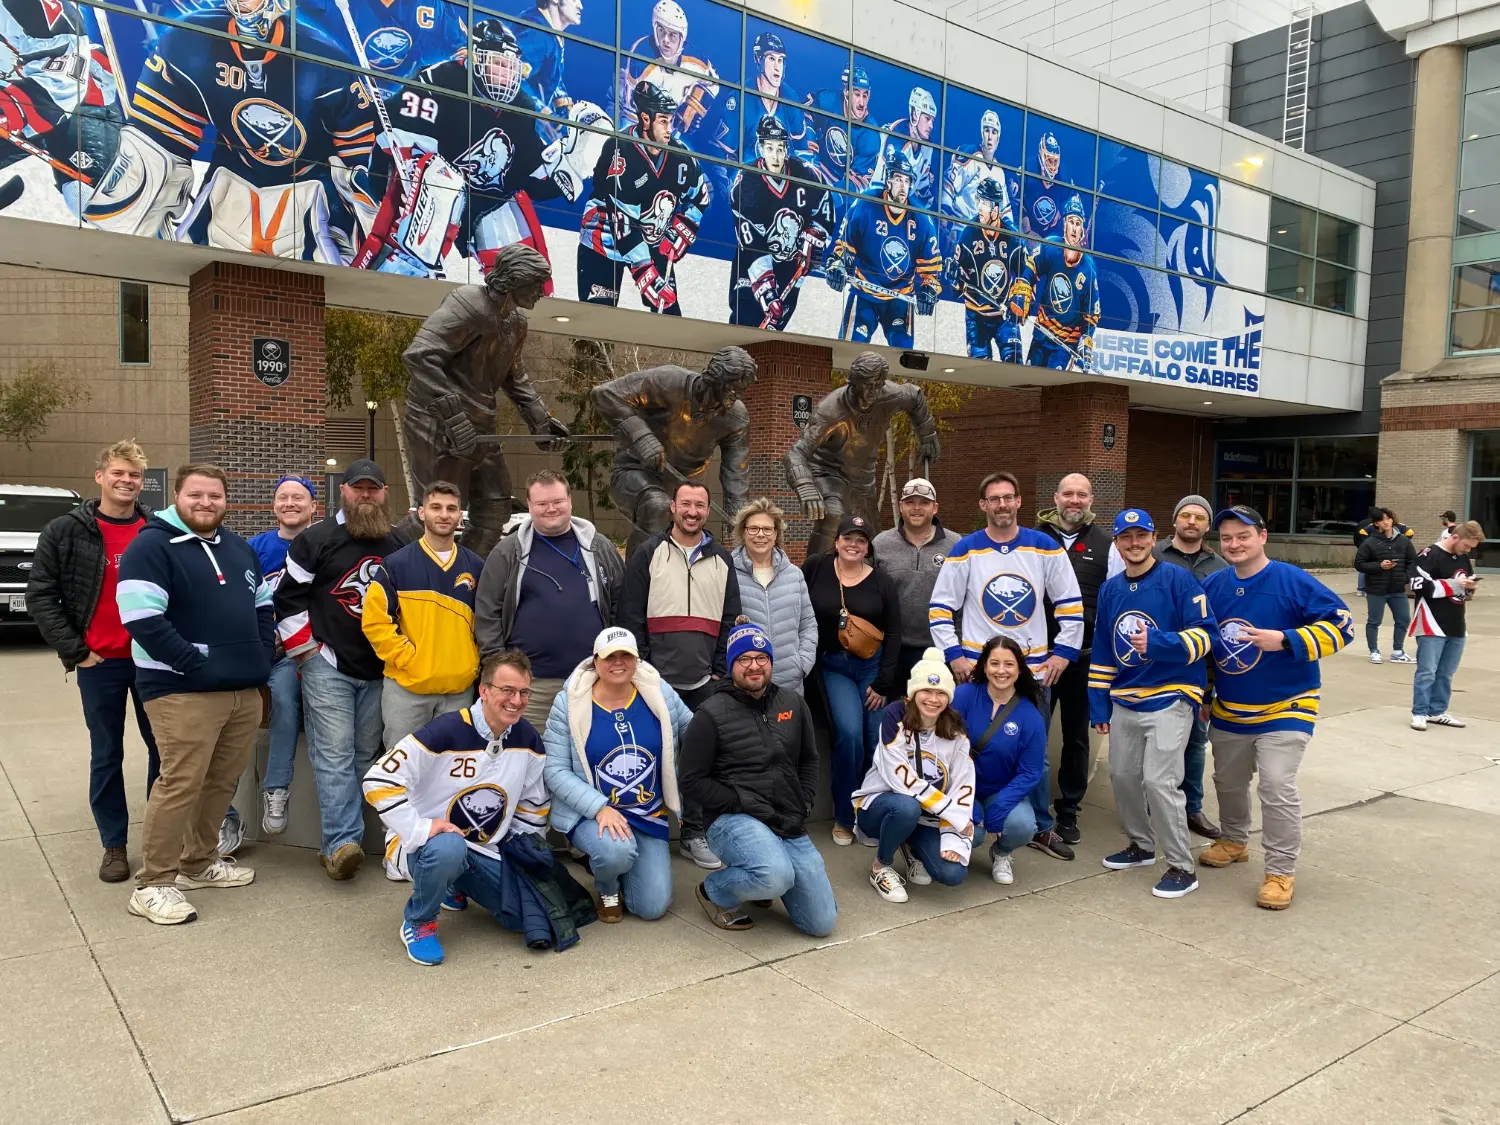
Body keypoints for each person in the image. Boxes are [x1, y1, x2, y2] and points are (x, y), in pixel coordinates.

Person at [363, 650, 595, 965]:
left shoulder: (527, 738)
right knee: (448, 849)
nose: (517, 700)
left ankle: (453, 884)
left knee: (524, 920)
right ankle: (419, 922)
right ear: (484, 690)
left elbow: (532, 805)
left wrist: (522, 850)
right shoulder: (444, 731)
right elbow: (377, 780)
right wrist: (420, 828)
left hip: (485, 848)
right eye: (507, 690)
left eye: (524, 692)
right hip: (426, 846)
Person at [116, 465, 275, 925]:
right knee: (180, 782)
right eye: (196, 495)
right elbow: (142, 618)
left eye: (215, 496)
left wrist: (261, 656)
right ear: (177, 497)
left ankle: (198, 862)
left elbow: (262, 604)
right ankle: (154, 883)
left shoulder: (238, 547)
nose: (206, 503)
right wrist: (196, 663)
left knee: (222, 782)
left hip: (241, 688)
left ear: (226, 501)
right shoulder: (151, 545)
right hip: (180, 690)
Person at [1198, 505, 1354, 911]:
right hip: (1231, 707)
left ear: (1262, 537)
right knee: (1228, 782)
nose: (1234, 544)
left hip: (1289, 704)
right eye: (1227, 538)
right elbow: (1207, 645)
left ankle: (1280, 871)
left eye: (1243, 536)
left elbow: (1342, 625)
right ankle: (1234, 840)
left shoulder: (1292, 580)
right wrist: (1205, 693)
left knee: (1276, 785)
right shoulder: (1214, 585)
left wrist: (1286, 639)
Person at [929, 471, 1083, 862]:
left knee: (1036, 753)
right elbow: (940, 608)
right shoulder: (966, 549)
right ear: (983, 506)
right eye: (994, 499)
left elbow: (1070, 604)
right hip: (979, 672)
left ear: (1018, 502)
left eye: (1008, 498)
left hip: (1033, 672)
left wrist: (1063, 652)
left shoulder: (1043, 547)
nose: (1002, 505)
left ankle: (1039, 826)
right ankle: (968, 813)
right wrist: (954, 655)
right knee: (965, 746)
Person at [28, 439, 160, 883]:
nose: (126, 481)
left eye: (135, 475)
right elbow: (41, 595)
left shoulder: (156, 530)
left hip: (151, 662)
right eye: (118, 473)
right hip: (99, 663)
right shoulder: (65, 531)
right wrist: (76, 650)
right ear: (100, 475)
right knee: (107, 754)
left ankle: (161, 841)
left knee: (165, 752)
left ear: (143, 482)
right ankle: (114, 844)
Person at [274, 459, 407, 882]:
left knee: (364, 755)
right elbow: (287, 599)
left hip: (380, 669)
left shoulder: (400, 543)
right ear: (342, 492)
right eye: (357, 488)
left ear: (385, 493)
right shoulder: (316, 539)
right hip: (327, 663)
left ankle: (351, 838)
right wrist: (308, 653)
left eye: (373, 488)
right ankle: (340, 844)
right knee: (333, 755)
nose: (365, 495)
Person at [678, 622, 837, 936]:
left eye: (761, 658)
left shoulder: (793, 703)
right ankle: (715, 891)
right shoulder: (709, 714)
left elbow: (809, 758)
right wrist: (738, 800)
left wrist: (804, 800)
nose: (754, 666)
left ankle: (759, 884)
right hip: (733, 817)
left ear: (771, 662)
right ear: (731, 665)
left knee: (821, 923)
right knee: (775, 874)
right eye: (744, 659)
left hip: (786, 815)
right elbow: (691, 781)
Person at [1088, 509, 1215, 900]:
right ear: (1117, 543)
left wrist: (1159, 644)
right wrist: (1098, 706)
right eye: (1126, 538)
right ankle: (1141, 846)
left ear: (1153, 536)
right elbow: (1104, 651)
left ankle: (1181, 865)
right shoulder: (1111, 589)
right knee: (1124, 777)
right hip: (1126, 698)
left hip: (1172, 695)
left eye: (1141, 536)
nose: (1134, 543)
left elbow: (1206, 635)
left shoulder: (1178, 578)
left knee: (1160, 782)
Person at [616, 480, 741, 870]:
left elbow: (729, 620)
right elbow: (630, 616)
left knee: (700, 763)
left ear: (708, 510)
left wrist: (720, 670)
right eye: (685, 504)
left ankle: (693, 834)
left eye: (700, 505)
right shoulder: (648, 554)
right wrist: (643, 670)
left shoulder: (721, 559)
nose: (692, 511)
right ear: (673, 507)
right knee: (648, 758)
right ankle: (645, 830)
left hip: (704, 683)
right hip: (654, 682)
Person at [543, 627, 693, 922]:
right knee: (615, 852)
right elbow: (554, 769)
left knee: (652, 908)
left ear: (637, 660)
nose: (619, 662)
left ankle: (624, 865)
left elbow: (696, 731)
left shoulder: (658, 691)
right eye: (610, 656)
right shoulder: (571, 702)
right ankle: (607, 886)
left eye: (627, 655)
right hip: (594, 814)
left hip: (648, 813)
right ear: (595, 661)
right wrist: (599, 808)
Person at [475, 470, 626, 730]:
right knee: (526, 758)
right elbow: (488, 613)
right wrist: (500, 670)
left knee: (587, 758)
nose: (551, 509)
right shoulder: (507, 552)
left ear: (569, 500)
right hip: (530, 686)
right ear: (530, 505)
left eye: (557, 501)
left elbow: (620, 605)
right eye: (542, 504)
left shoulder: (599, 548)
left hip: (590, 680)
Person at [802, 515, 901, 846]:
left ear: (868, 546)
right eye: (848, 537)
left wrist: (885, 681)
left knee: (876, 739)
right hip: (834, 666)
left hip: (871, 668)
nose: (853, 544)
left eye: (861, 540)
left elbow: (895, 631)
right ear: (837, 541)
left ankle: (870, 815)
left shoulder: (881, 581)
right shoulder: (816, 568)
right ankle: (846, 815)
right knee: (848, 735)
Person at [363, 482, 485, 751]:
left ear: (460, 515)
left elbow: (486, 623)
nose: (444, 514)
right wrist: (408, 659)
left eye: (451, 508)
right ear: (421, 513)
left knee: (451, 769)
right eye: (436, 507)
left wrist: (471, 662)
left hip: (458, 690)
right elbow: (374, 621)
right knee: (401, 769)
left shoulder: (476, 567)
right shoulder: (396, 565)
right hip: (407, 690)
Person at [1031, 472, 1117, 846]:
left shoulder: (1107, 544)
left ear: (1091, 499)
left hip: (1083, 657)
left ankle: (1068, 810)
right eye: (1068, 493)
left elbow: (1113, 599)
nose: (1075, 501)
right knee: (1031, 733)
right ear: (1056, 497)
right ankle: (1031, 808)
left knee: (1076, 737)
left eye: (1082, 494)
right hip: (1036, 657)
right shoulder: (1033, 539)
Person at [852, 649, 975, 901]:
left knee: (954, 871)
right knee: (906, 807)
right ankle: (881, 866)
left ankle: (909, 844)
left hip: (926, 814)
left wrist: (955, 832)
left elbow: (964, 781)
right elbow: (899, 778)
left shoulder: (955, 729)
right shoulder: (895, 716)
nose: (933, 699)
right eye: (926, 691)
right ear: (913, 692)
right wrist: (952, 813)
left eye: (941, 693)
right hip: (880, 806)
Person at [245, 475, 317, 838]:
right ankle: (224, 812)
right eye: (283, 497)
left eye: (299, 498)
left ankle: (277, 788)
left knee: (285, 700)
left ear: (313, 507)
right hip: (256, 648)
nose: (290, 503)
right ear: (274, 505)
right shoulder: (254, 546)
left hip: (297, 651)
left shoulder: (323, 545)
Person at [1152, 494, 1228, 840]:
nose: (1192, 521)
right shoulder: (1154, 555)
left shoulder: (1220, 566)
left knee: (1195, 741)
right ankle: (1154, 801)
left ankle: (1191, 807)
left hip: (1200, 667)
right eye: (1185, 515)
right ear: (1175, 521)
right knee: (1155, 740)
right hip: (1154, 663)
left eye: (1199, 517)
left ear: (1207, 526)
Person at [951, 635, 1047, 886]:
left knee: (1024, 825)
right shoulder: (963, 696)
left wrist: (1001, 806)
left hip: (1000, 789)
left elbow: (1030, 772)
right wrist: (965, 801)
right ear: (984, 666)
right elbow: (944, 750)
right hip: (960, 786)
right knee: (976, 835)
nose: (1001, 671)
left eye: (1009, 664)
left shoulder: (1030, 716)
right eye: (994, 663)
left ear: (1019, 669)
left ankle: (1002, 853)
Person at [872, 478, 962, 692]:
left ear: (935, 507)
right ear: (901, 506)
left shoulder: (955, 544)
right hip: (893, 649)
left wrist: (958, 645)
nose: (916, 508)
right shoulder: (881, 544)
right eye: (910, 502)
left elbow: (965, 598)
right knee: (896, 716)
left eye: (924, 502)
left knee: (936, 713)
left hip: (941, 647)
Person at [730, 499, 817, 694]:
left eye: (767, 529)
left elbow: (808, 623)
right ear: (743, 533)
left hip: (789, 683)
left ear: (776, 534)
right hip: (744, 683)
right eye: (753, 529)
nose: (760, 534)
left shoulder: (794, 575)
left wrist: (802, 664)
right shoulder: (727, 573)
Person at [1409, 520, 1485, 731]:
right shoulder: (1429, 555)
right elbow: (1416, 584)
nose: (1467, 551)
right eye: (1467, 546)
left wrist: (1470, 587)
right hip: (1431, 621)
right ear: (1455, 537)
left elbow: (1463, 583)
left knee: (1446, 672)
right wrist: (1453, 585)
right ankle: (1420, 712)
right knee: (1427, 671)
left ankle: (1437, 710)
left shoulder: (1462, 557)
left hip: (1456, 620)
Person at [1354, 507, 1417, 665]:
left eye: (1388, 518)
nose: (1386, 522)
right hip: (1376, 589)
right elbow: (1359, 564)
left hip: (1397, 588)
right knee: (1374, 620)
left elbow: (1413, 562)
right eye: (1382, 519)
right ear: (1376, 523)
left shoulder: (1403, 540)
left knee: (1403, 619)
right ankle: (1374, 651)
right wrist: (1379, 566)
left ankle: (1398, 651)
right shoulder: (1369, 542)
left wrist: (1405, 577)